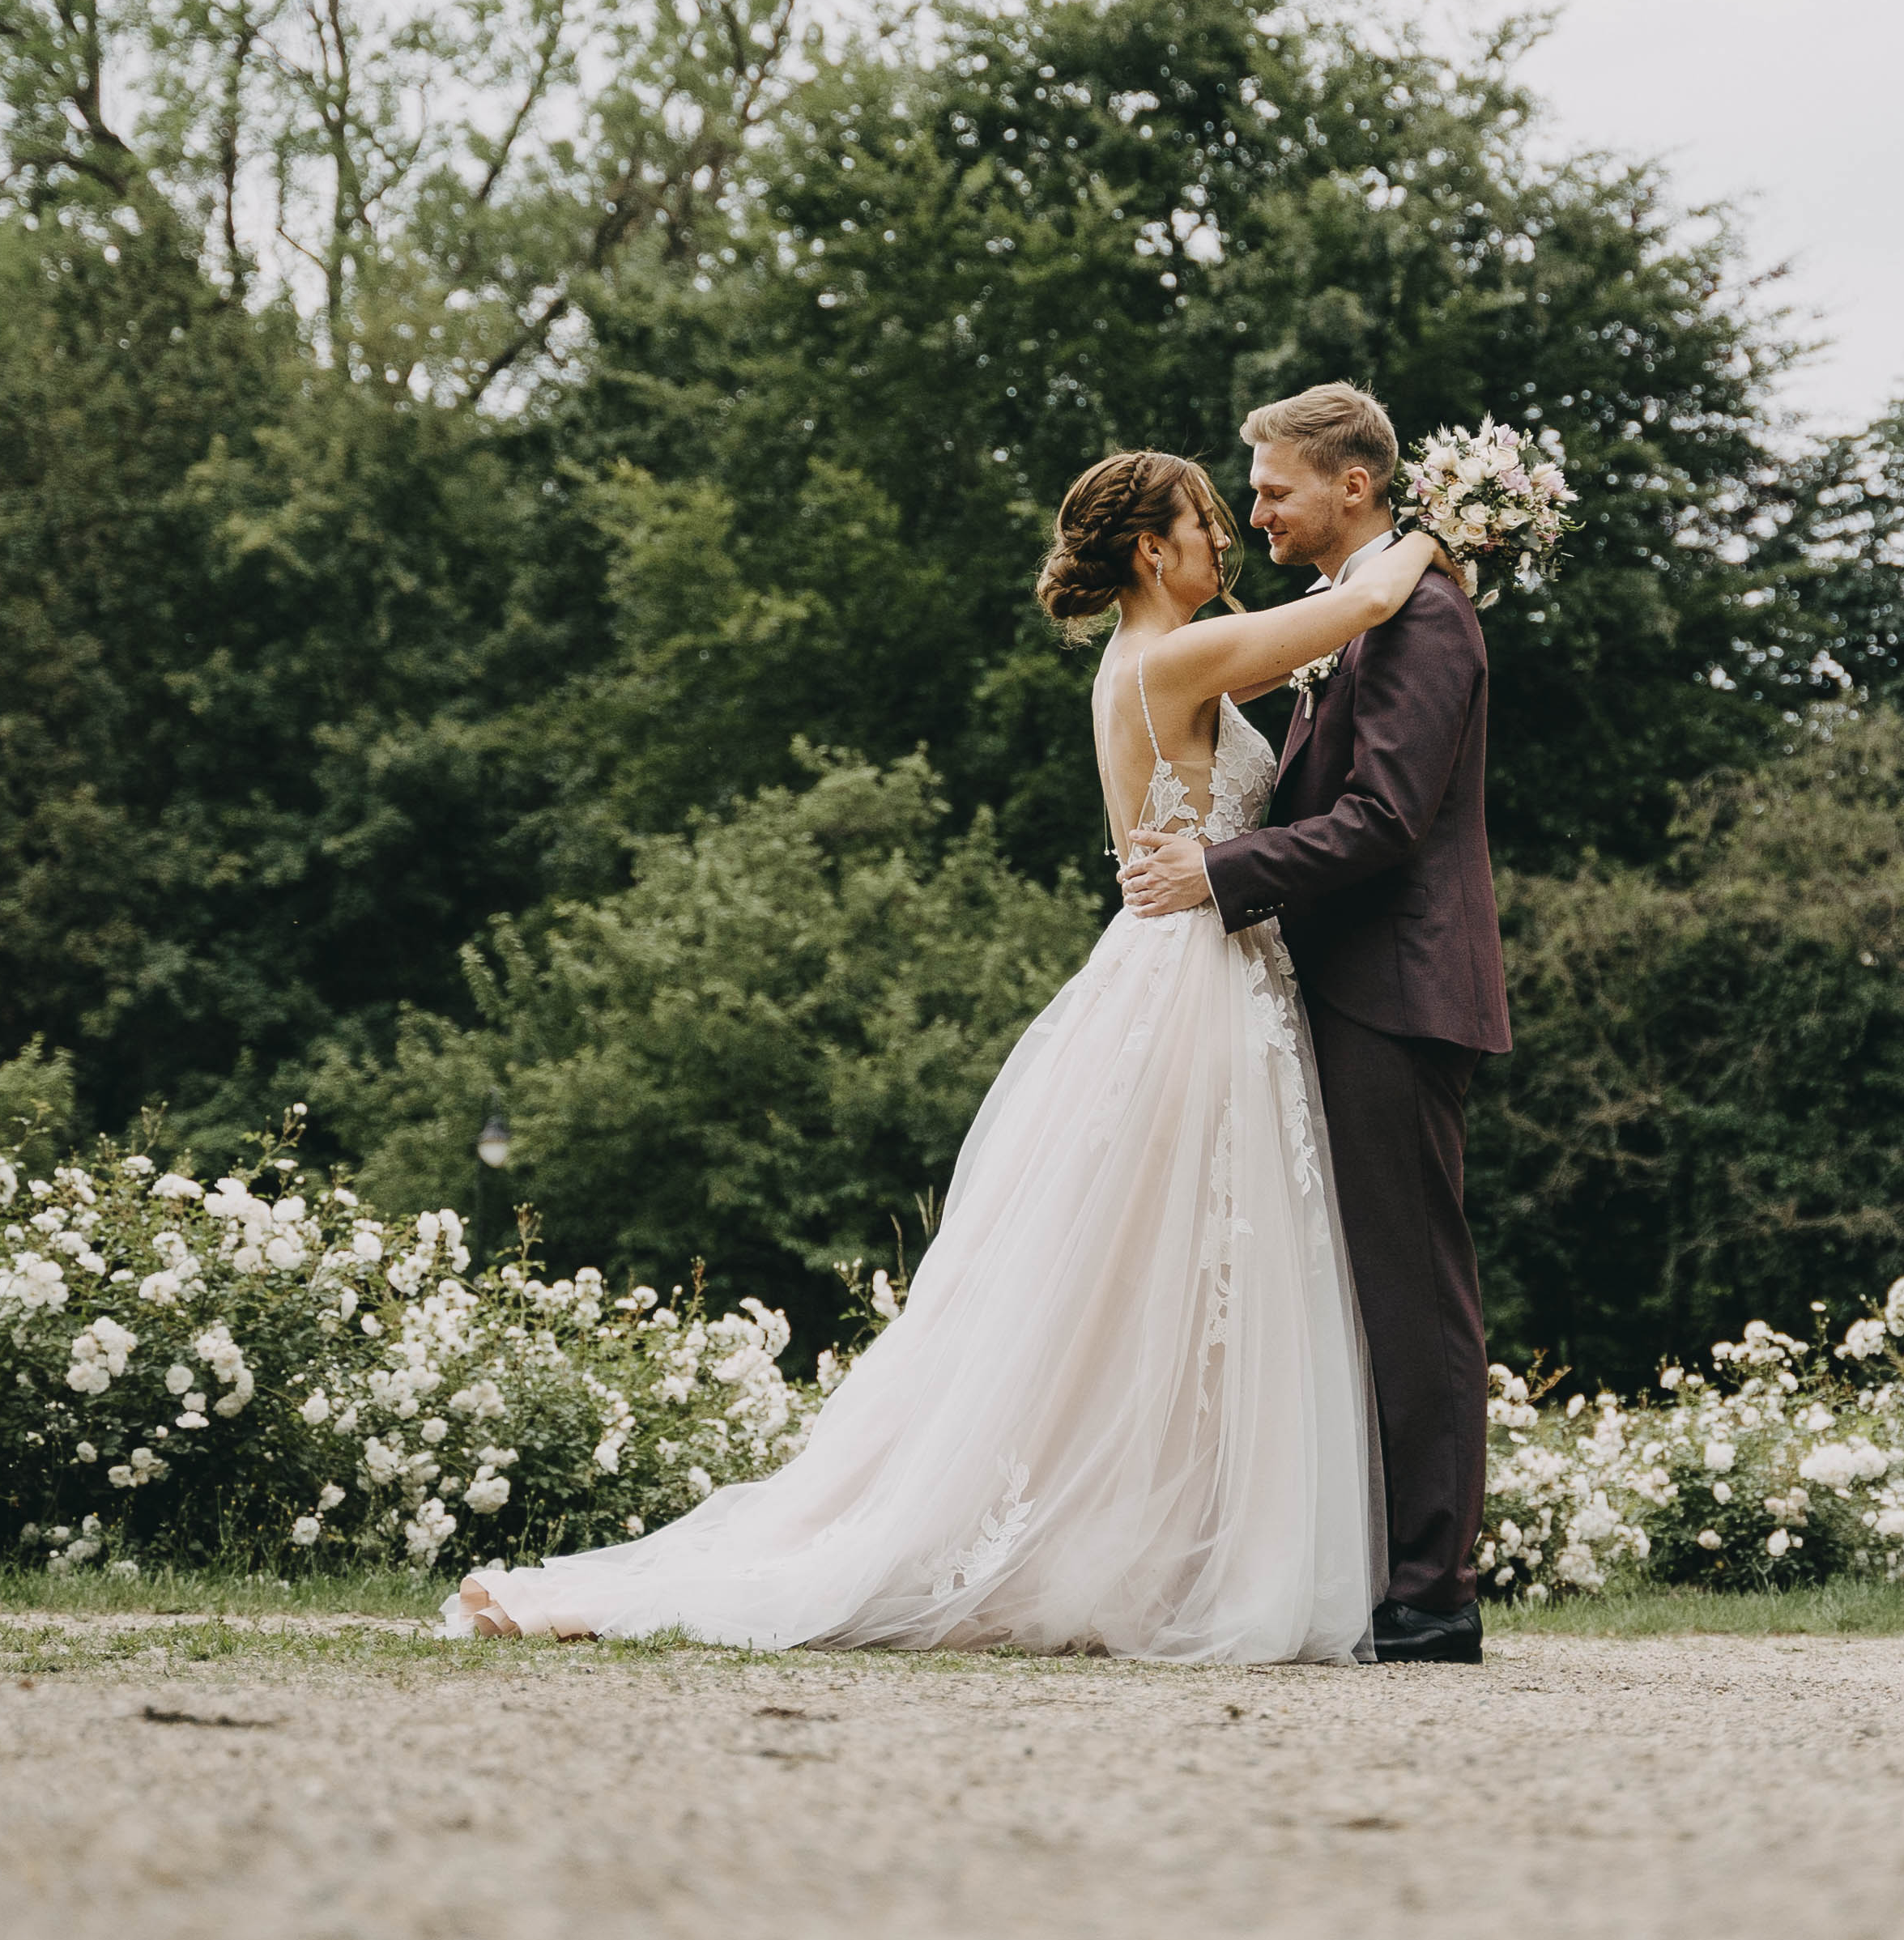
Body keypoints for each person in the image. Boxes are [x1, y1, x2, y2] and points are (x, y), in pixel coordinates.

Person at [441, 452, 1436, 1661]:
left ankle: (1166, 1533)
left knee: (1167, 1272)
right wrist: (1456, 526)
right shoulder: (1168, 656)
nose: (1223, 543)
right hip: (1194, 985)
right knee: (1176, 1259)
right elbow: (1364, 608)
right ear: (1148, 552)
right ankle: (1148, 1542)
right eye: (1203, 525)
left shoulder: (1157, 657)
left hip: (1201, 969)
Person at [1119, 382, 1510, 1665]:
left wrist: (1222, 877)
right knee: (1358, 1290)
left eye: (1276, 487)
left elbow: (1388, 822)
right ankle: (1382, 1573)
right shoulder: (1359, 616)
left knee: (1413, 1290)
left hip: (1396, 991)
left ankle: (1433, 1594)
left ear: (1354, 486)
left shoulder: (1427, 619)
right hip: (1334, 988)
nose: (1257, 510)